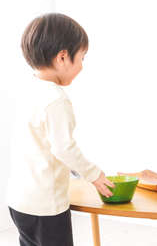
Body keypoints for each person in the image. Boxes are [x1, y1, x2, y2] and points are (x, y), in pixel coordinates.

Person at [6, 13, 114, 246]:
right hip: (45, 207)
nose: (82, 66)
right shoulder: (56, 99)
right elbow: (64, 148)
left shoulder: (28, 90)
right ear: (63, 57)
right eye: (82, 58)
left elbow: (41, 143)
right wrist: (93, 174)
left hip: (19, 201)